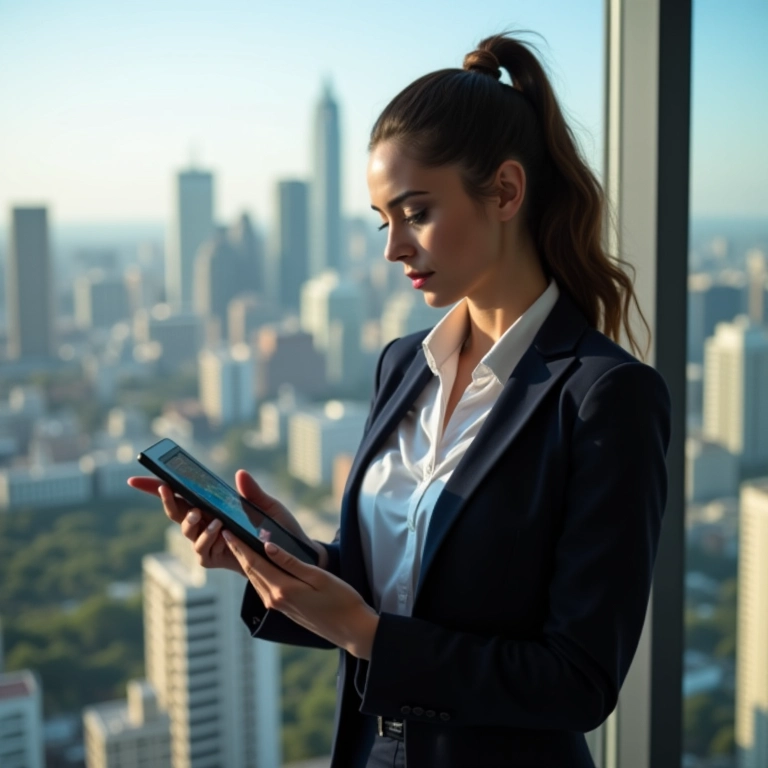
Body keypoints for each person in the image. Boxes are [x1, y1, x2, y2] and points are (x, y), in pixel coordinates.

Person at [130, 32, 671, 768]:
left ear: (506, 191)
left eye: (415, 212)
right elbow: (399, 589)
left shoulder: (606, 398)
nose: (393, 248)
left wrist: (369, 638)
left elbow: (577, 681)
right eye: (384, 220)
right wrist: (282, 558)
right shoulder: (401, 367)